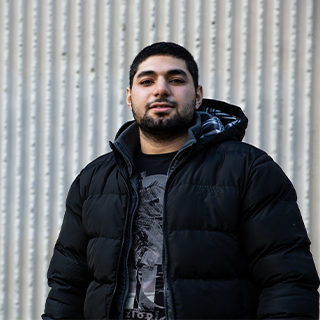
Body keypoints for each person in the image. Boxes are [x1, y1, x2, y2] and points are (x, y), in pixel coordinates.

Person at [42, 42, 319, 320]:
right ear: (129, 97)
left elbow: (288, 281)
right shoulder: (95, 179)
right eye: (147, 81)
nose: (161, 89)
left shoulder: (249, 170)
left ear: (198, 96)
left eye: (175, 80)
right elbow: (67, 287)